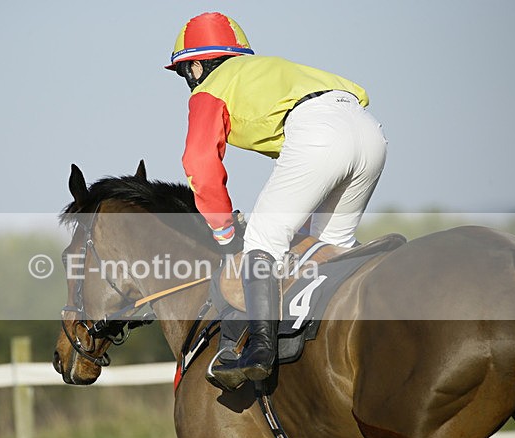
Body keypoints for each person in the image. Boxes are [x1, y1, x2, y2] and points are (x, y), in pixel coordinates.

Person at [165, 12, 387, 388]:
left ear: (197, 66)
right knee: (327, 250)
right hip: (369, 132)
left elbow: (198, 162)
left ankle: (261, 351)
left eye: (185, 73)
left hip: (319, 132)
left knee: (262, 240)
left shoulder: (210, 87)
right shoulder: (267, 71)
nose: (188, 82)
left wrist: (222, 231)